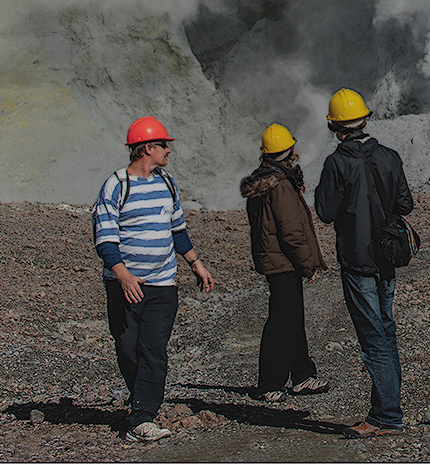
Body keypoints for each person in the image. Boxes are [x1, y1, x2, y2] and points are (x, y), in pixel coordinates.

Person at [92, 116, 214, 442]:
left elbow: (178, 229)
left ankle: (142, 416)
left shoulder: (167, 182)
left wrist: (195, 264)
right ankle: (141, 402)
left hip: (162, 283)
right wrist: (123, 276)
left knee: (153, 348)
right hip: (124, 285)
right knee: (128, 349)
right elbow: (104, 238)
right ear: (148, 148)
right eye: (164, 146)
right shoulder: (117, 186)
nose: (168, 151)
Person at [314, 88, 413, 438]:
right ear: (365, 119)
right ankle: (386, 409)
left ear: (334, 126)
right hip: (388, 257)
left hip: (358, 260)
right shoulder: (390, 156)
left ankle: (387, 415)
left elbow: (324, 212)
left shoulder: (337, 163)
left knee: (375, 338)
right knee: (385, 330)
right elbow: (405, 204)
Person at [240, 123, 329, 402]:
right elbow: (291, 230)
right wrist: (307, 264)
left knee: (291, 318)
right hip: (284, 262)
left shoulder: (265, 180)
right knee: (282, 322)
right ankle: (270, 383)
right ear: (290, 150)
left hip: (275, 260)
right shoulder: (280, 186)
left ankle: (302, 375)